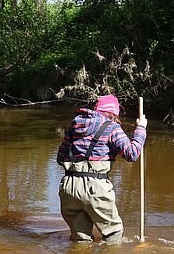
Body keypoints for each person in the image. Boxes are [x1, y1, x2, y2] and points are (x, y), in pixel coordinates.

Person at [56, 94, 147, 244]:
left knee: (80, 240)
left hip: (68, 187)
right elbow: (132, 154)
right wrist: (141, 128)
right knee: (114, 235)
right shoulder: (112, 127)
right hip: (95, 187)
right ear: (114, 113)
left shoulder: (75, 125)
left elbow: (60, 157)